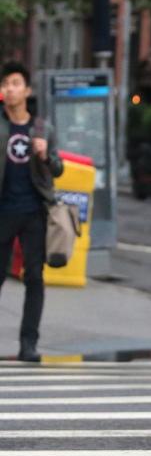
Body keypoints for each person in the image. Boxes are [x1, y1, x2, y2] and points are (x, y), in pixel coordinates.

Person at [0, 62, 64, 362]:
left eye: (15, 83)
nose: (9, 89)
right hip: (4, 211)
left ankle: (29, 344)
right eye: (5, 84)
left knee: (34, 278)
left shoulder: (42, 128)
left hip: (34, 212)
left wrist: (46, 154)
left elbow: (59, 169)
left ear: (26, 90)